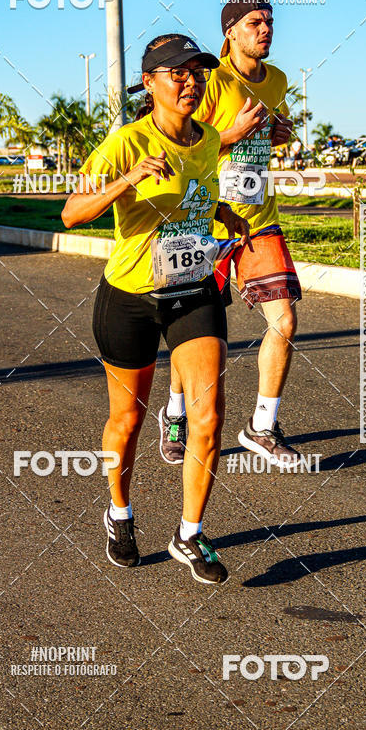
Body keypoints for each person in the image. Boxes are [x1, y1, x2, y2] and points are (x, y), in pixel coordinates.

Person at [61, 34, 250, 585]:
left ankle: (189, 535)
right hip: (130, 299)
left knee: (208, 417)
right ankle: (119, 514)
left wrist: (223, 214)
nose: (190, 81)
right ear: (150, 83)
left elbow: (194, 194)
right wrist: (129, 178)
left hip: (191, 291)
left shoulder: (209, 138)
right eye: (177, 73)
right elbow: (73, 212)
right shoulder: (126, 142)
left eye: (197, 72)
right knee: (129, 419)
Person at [158, 0, 304, 469]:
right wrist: (233, 135)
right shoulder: (211, 83)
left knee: (284, 320)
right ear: (231, 32)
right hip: (204, 221)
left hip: (259, 219)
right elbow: (182, 143)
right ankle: (176, 414)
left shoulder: (277, 80)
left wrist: (274, 133)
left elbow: (262, 136)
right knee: (194, 334)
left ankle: (261, 426)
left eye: (270, 22)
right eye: (255, 22)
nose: (266, 29)